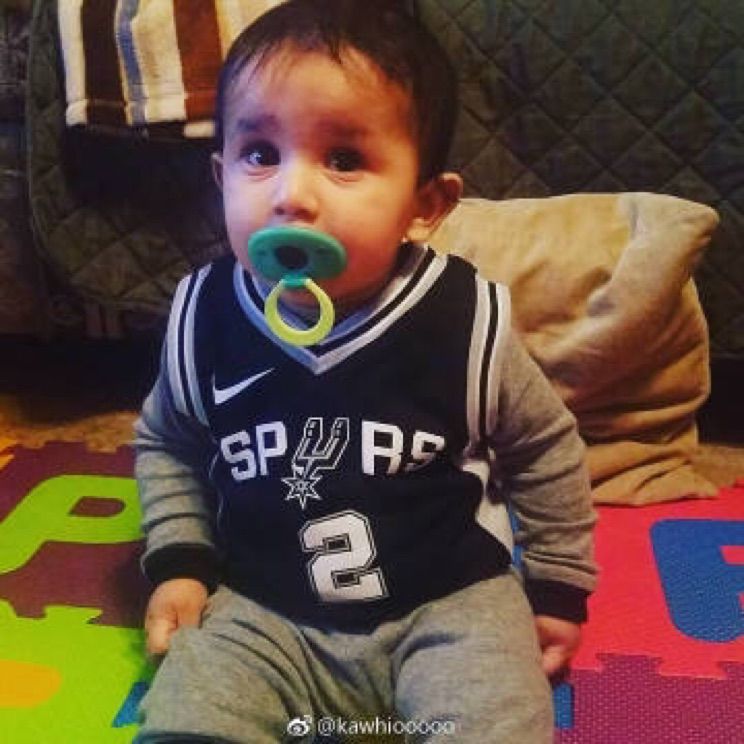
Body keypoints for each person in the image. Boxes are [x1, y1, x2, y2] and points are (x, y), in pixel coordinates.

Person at [134, 1, 597, 741]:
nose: (290, 194)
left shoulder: (462, 322)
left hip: (449, 607)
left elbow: (545, 449)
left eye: (344, 160)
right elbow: (168, 444)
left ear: (425, 205)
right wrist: (181, 561)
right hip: (261, 608)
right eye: (260, 153)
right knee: (189, 711)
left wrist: (557, 585)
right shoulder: (203, 318)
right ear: (221, 175)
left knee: (499, 718)